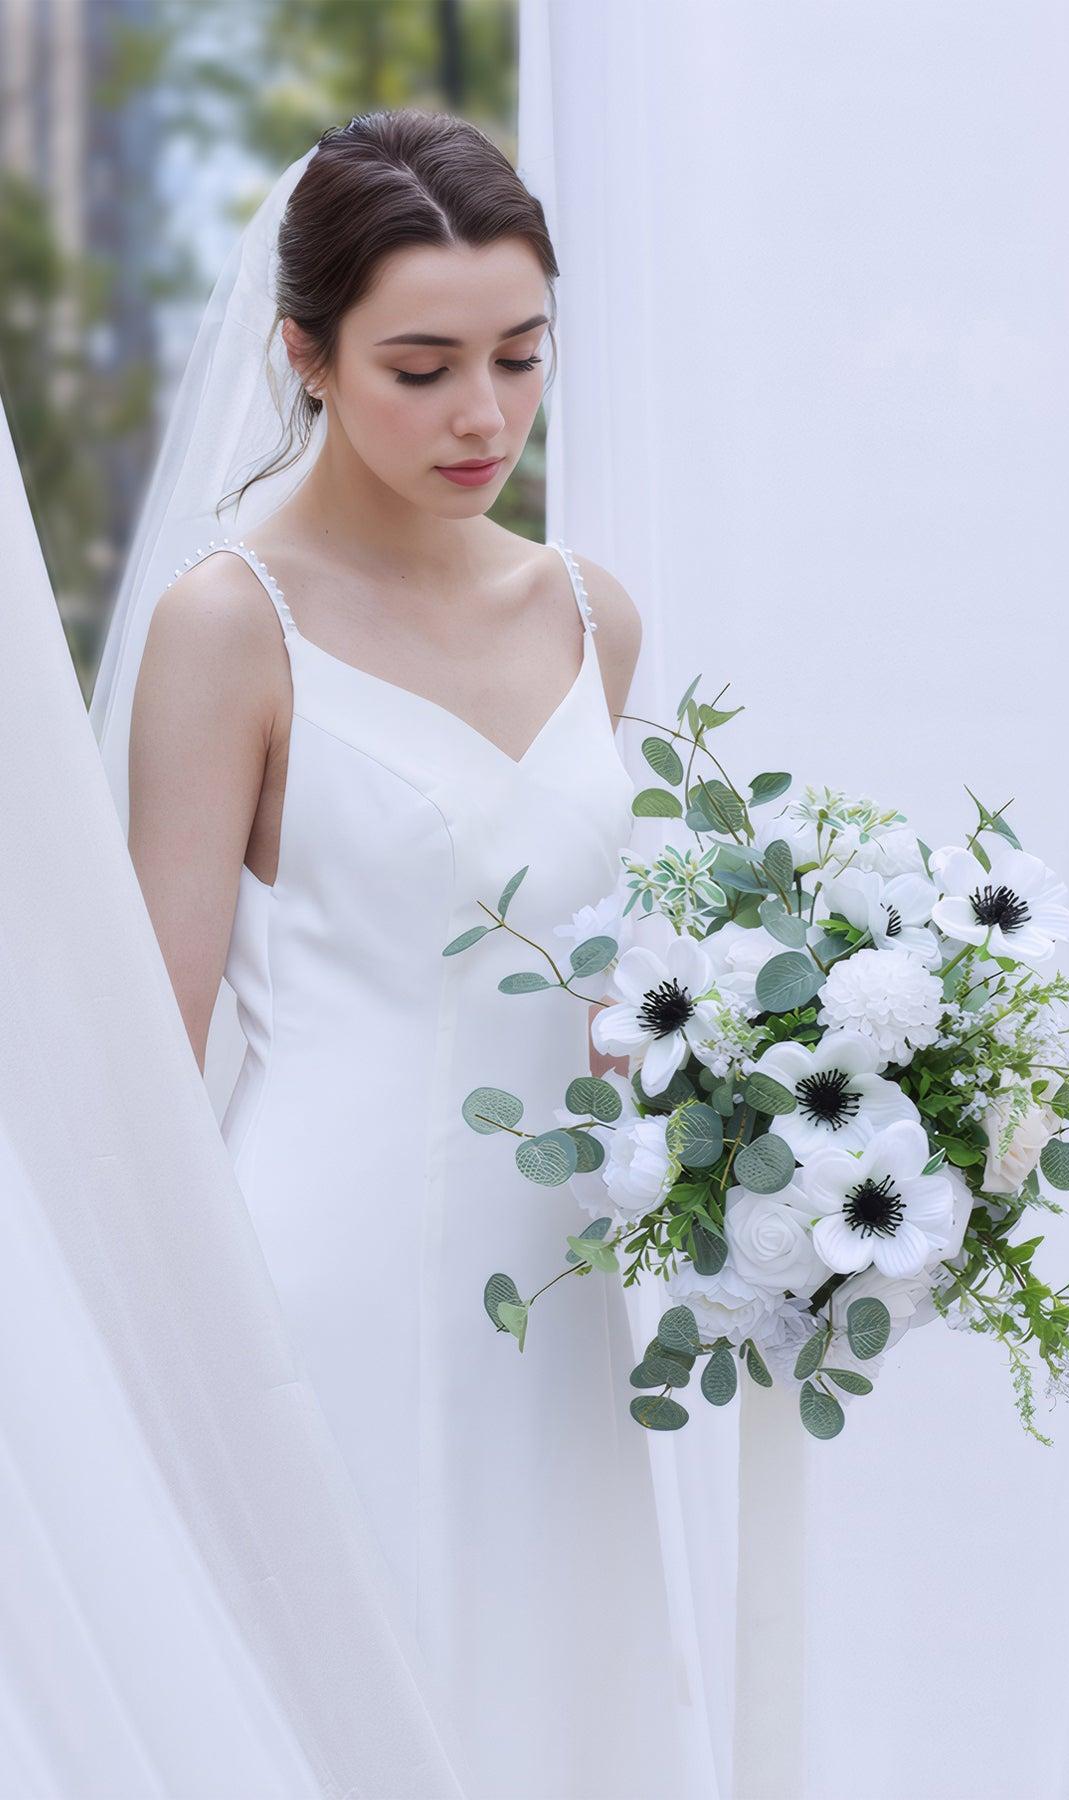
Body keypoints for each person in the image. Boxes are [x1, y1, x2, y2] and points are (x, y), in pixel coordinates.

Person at [95, 109, 717, 1800]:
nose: (484, 416)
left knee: (561, 1704)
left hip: (572, 1287)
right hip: (333, 1276)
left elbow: (606, 980)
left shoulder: (595, 611)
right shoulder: (231, 625)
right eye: (422, 366)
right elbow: (151, 1031)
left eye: (521, 358)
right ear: (303, 354)